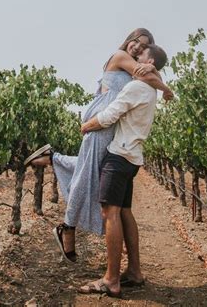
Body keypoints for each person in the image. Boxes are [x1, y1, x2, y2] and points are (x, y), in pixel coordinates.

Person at [27, 28, 173, 261]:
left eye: (143, 46)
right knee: (86, 175)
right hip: (101, 122)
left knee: (91, 169)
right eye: (136, 41)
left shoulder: (138, 71)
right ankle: (67, 227)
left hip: (112, 127)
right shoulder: (120, 57)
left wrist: (155, 72)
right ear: (130, 39)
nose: (136, 47)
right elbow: (152, 81)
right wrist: (165, 87)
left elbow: (150, 79)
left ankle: (53, 158)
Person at [77, 43, 168, 299]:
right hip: (133, 158)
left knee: (110, 214)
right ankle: (134, 272)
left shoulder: (137, 86)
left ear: (150, 63)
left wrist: (87, 126)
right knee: (124, 211)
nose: (135, 58)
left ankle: (111, 279)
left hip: (118, 157)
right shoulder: (151, 90)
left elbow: (109, 116)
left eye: (141, 56)